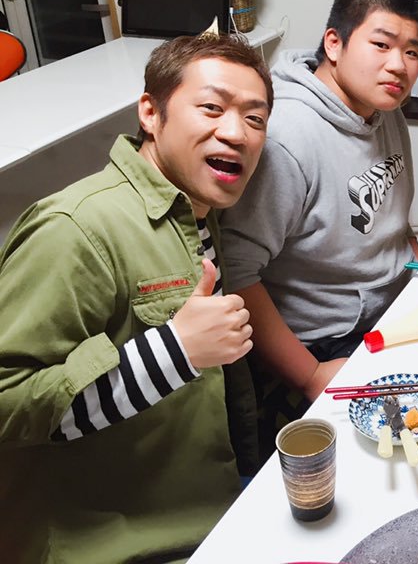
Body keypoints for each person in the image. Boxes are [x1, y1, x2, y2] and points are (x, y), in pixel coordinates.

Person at [0, 34, 272, 564]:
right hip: (107, 546)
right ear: (151, 112)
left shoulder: (198, 208)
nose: (236, 132)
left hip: (209, 513)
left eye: (255, 119)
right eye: (212, 108)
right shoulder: (75, 228)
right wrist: (177, 350)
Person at [219, 0, 418, 440]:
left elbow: (393, 220)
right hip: (326, 340)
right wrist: (311, 376)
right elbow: (236, 271)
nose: (399, 65)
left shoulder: (384, 108)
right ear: (334, 43)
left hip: (391, 308)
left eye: (412, 52)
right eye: (381, 44)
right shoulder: (288, 137)